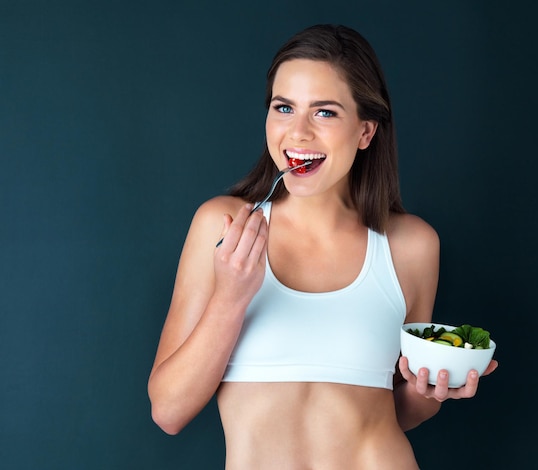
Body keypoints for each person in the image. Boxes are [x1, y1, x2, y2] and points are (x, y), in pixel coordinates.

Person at [148, 24, 497, 469]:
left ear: (365, 132)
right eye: (284, 107)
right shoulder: (223, 225)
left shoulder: (413, 245)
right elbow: (168, 411)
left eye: (325, 113)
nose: (298, 133)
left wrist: (431, 390)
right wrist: (231, 297)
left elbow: (399, 411)